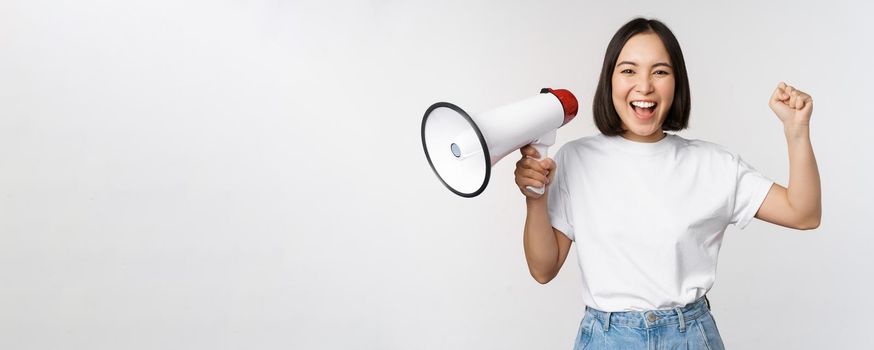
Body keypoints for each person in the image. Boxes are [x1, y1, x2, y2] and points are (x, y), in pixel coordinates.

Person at [515, 18, 821, 350]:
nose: (644, 86)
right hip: (606, 339)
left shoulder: (713, 165)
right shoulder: (576, 159)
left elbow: (803, 213)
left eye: (660, 72)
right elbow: (543, 269)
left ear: (677, 83)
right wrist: (536, 198)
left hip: (690, 337)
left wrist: (796, 130)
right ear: (609, 80)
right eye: (629, 71)